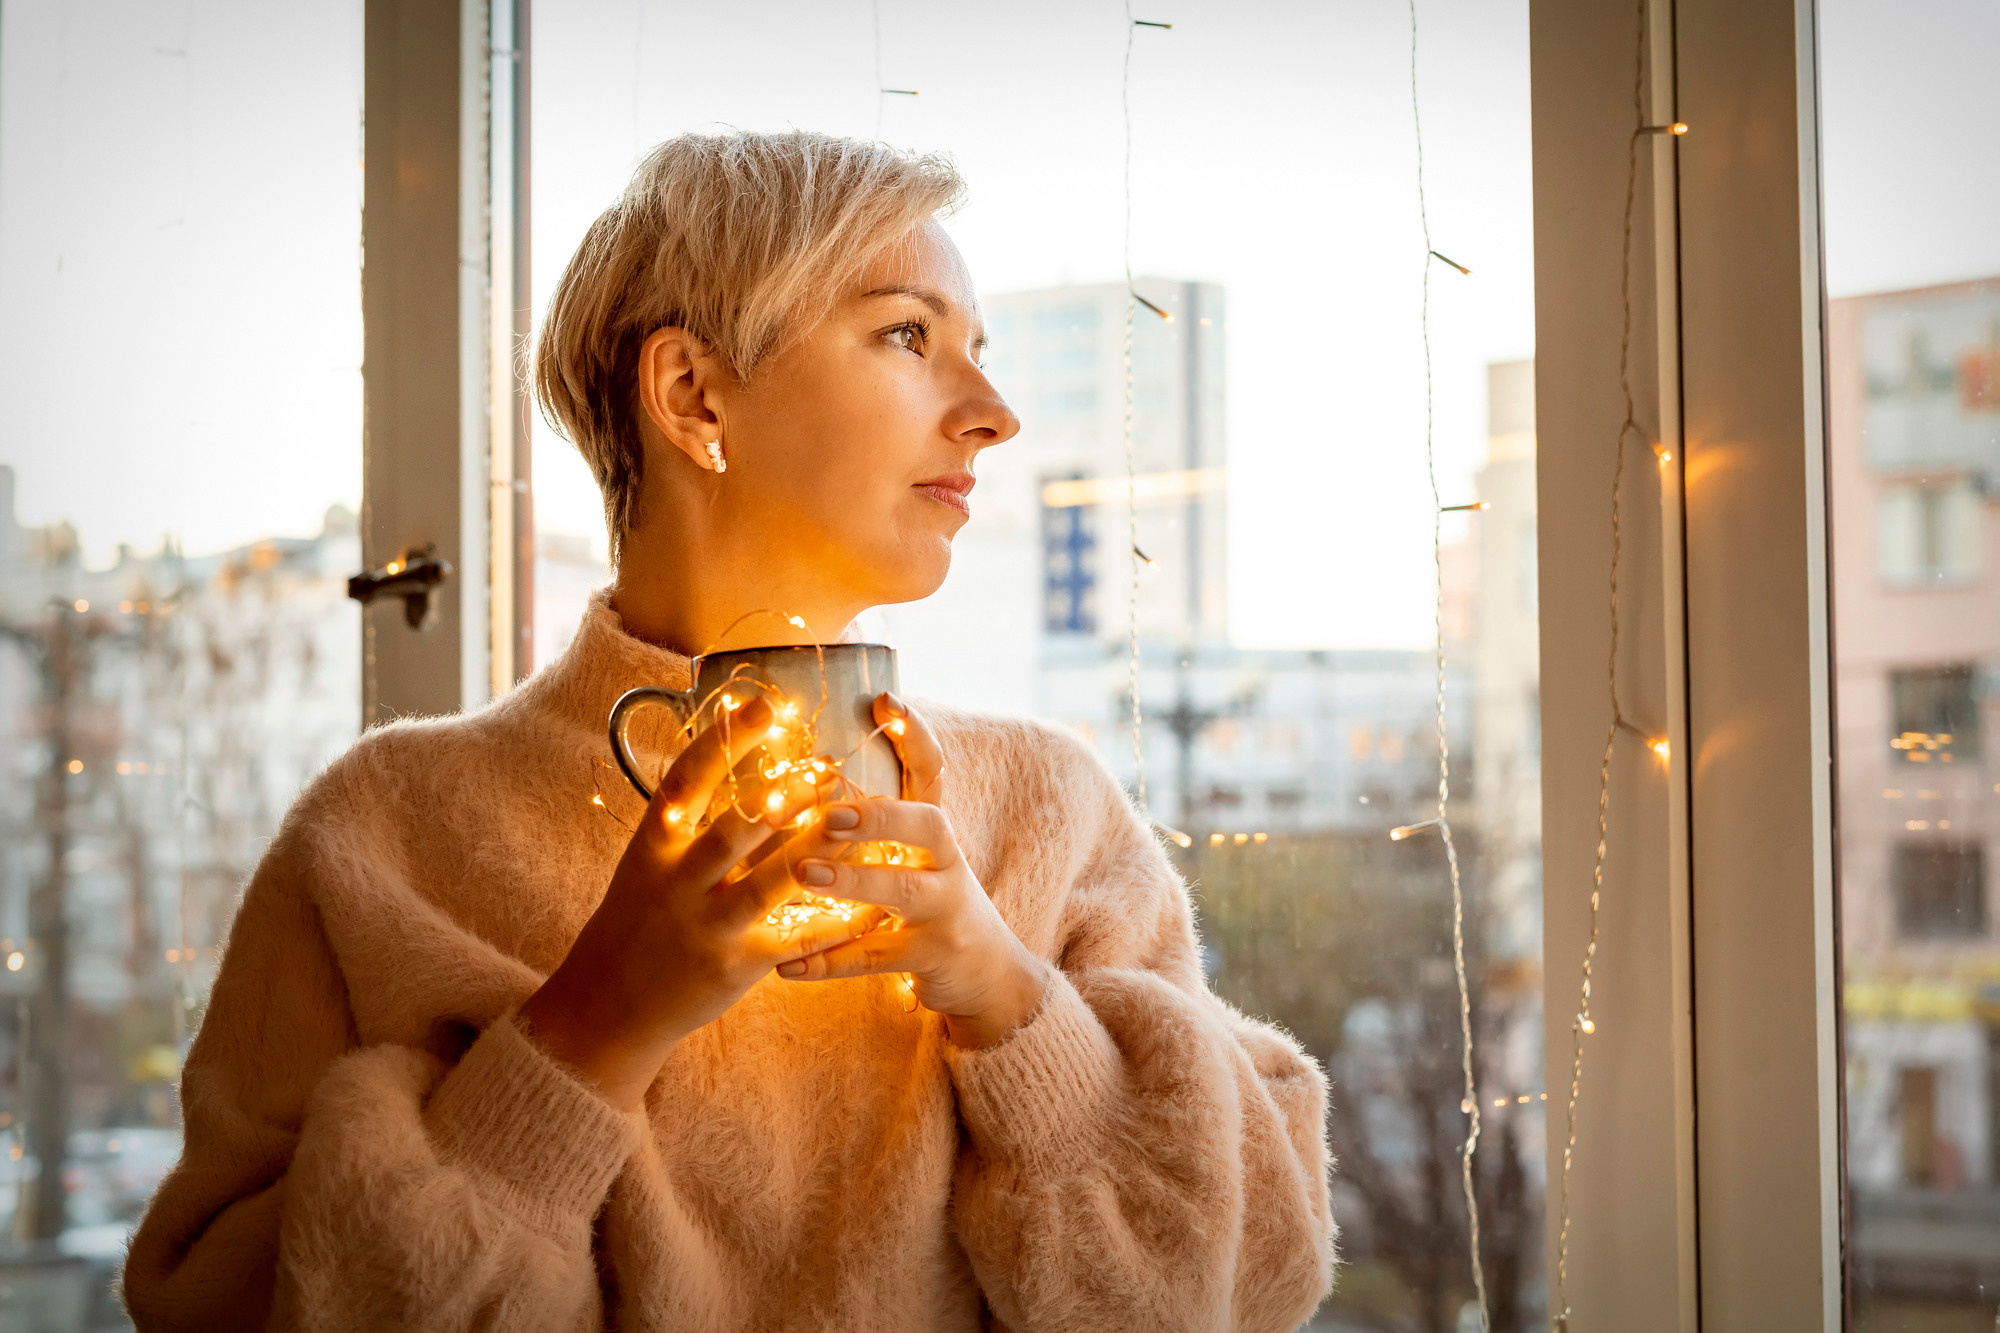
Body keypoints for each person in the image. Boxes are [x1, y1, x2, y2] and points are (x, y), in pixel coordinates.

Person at [123, 130, 1334, 1332]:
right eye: (908, 335)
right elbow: (222, 1302)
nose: (994, 415)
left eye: (979, 350)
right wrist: (591, 1026)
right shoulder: (382, 836)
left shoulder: (1049, 811)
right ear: (693, 394)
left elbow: (1251, 1281)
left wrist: (1010, 1001)